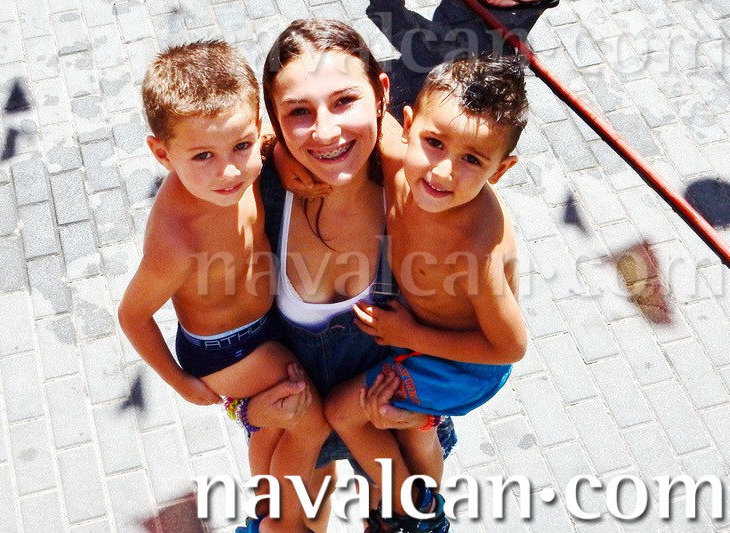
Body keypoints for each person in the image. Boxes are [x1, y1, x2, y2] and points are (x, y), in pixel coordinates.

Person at [244, 19, 458, 530]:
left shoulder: (422, 193)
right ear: (273, 119)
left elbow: (480, 334)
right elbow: (215, 328)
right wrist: (246, 410)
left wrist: (425, 415)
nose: (325, 132)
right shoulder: (257, 193)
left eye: (344, 101)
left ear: (382, 93)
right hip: (296, 424)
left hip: (389, 422)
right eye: (299, 111)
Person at [117, 40, 328, 533]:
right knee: (311, 419)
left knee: (277, 431)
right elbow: (132, 315)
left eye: (242, 146)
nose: (229, 170)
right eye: (203, 155)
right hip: (223, 349)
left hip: (264, 320)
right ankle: (278, 526)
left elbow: (268, 146)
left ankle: (277, 511)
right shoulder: (177, 240)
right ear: (162, 154)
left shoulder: (239, 168)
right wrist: (182, 384)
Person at [325, 55, 529, 532]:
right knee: (402, 423)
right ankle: (421, 432)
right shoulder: (399, 161)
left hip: (462, 365)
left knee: (346, 413)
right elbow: (360, 119)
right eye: (434, 143)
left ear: (500, 170)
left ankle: (415, 515)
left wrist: (409, 334)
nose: (442, 172)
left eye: (472, 159)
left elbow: (509, 348)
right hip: (417, 332)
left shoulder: (474, 248)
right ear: (409, 125)